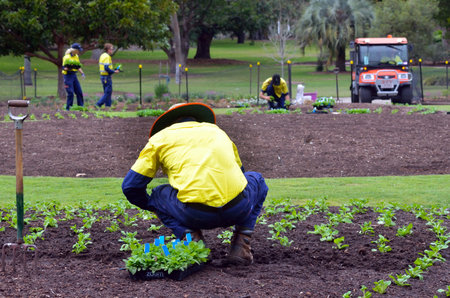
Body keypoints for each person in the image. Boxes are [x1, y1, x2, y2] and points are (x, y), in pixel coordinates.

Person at [122, 103, 268, 265]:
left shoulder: (160, 139)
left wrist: (155, 207)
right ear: (196, 119)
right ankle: (242, 243)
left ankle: (193, 242)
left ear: (170, 123)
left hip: (193, 214)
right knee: (257, 180)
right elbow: (241, 175)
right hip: (238, 209)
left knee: (158, 195)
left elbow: (131, 186)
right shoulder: (217, 132)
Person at [62, 43, 85, 110]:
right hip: (67, 76)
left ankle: (81, 107)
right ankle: (68, 108)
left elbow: (78, 66)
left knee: (79, 92)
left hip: (74, 75)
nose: (79, 51)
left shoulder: (76, 56)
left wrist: (82, 73)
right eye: (78, 50)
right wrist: (70, 67)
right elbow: (64, 68)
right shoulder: (66, 57)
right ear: (74, 50)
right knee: (70, 93)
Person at [96, 43, 120, 108]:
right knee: (108, 92)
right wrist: (114, 71)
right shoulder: (107, 57)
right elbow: (106, 68)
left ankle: (108, 107)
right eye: (112, 49)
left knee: (107, 92)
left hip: (103, 76)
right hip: (106, 77)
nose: (112, 50)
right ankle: (98, 104)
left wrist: (111, 72)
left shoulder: (102, 55)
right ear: (108, 50)